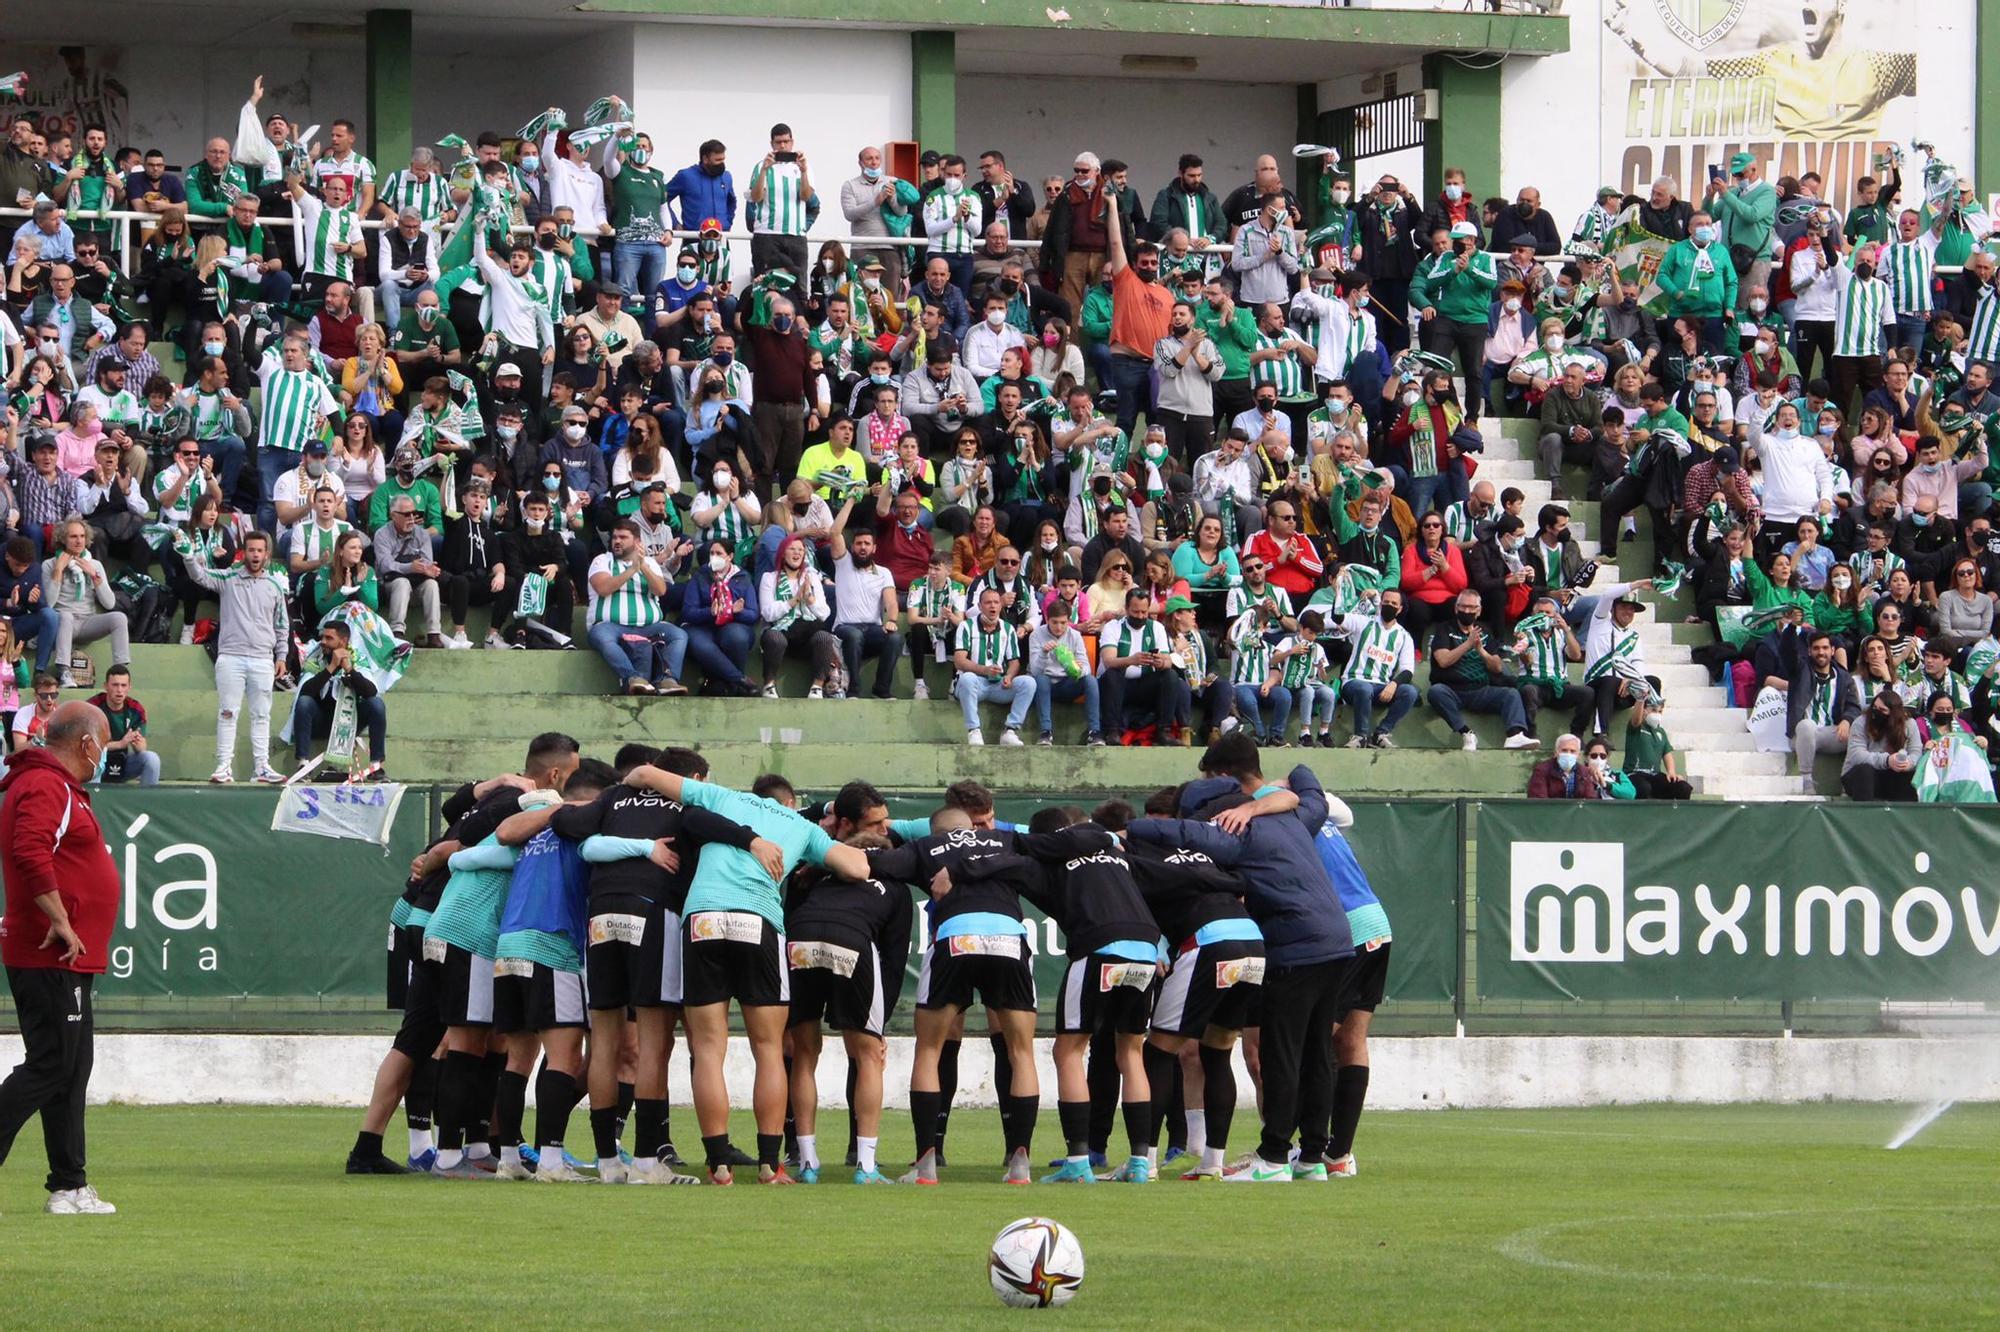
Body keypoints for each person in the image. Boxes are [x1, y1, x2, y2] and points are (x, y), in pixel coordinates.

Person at [592, 763, 869, 1185]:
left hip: (702, 918)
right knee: (768, 1048)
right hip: (758, 921)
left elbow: (647, 773)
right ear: (790, 802)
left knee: (707, 1049)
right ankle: (768, 1165)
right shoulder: (800, 825)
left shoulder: (721, 798)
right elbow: (857, 868)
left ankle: (718, 1164)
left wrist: (626, 787)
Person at [1125, 736, 1355, 1182]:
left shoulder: (1229, 834)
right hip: (1337, 939)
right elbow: (1307, 779)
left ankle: (1272, 1158)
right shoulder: (1293, 818)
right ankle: (1311, 1159)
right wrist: (1264, 799)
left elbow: (1156, 831)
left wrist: (1124, 831)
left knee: (1281, 1054)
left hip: (1295, 944)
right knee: (1315, 1055)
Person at [0, 701, 119, 1214]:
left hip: (66, 956)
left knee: (71, 1067)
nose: (106, 752)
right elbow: (30, 850)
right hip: (50, 952)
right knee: (52, 1065)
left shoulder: (56, 786)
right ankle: (68, 1182)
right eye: (105, 742)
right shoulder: (46, 785)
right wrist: (60, 919)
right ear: (86, 743)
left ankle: (69, 1185)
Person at [178, 526, 289, 784]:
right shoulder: (228, 579)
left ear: (267, 554)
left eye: (260, 550)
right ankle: (223, 767)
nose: (255, 554)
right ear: (244, 553)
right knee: (228, 712)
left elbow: (282, 625)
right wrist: (187, 556)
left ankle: (261, 767)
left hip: (263, 658)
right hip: (231, 657)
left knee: (262, 715)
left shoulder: (274, 584)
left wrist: (281, 656)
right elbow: (200, 577)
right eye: (251, 550)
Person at [586, 519, 689, 697]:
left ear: (637, 542)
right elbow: (603, 588)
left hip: (649, 627)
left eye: (623, 537)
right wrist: (632, 570)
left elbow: (660, 589)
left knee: (679, 635)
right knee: (602, 637)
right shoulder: (602, 560)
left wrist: (643, 567)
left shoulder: (650, 562)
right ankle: (632, 677)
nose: (617, 541)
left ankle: (667, 679)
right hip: (610, 625)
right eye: (615, 537)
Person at [1427, 590, 1537, 751]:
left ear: (1478, 611)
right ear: (1456, 608)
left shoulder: (1484, 631)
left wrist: (1481, 650)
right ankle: (1466, 733)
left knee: (1510, 694)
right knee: (1435, 692)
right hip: (1452, 689)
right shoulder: (1445, 629)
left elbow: (1497, 667)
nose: (1467, 611)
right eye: (1463, 607)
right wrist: (1468, 644)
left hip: (1481, 690)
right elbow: (1443, 661)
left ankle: (1515, 735)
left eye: (1472, 608)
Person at [41, 519, 128, 687]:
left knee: (119, 617)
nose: (79, 541)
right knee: (65, 616)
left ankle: (120, 670)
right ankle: (64, 673)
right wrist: (58, 570)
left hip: (87, 621)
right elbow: (49, 604)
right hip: (63, 622)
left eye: (82, 536)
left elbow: (109, 603)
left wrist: (94, 576)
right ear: (63, 539)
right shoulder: (50, 564)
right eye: (73, 536)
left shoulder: (94, 564)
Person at [1331, 589, 1418, 748]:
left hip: (1382, 688)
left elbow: (1407, 670)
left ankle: (1380, 733)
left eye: (1393, 603)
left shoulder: (1404, 636)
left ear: (1400, 609)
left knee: (1410, 692)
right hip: (1354, 683)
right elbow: (1337, 617)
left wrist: (1393, 684)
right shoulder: (1363, 622)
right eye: (1386, 602)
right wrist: (1339, 590)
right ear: (1380, 603)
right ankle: (1360, 736)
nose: (1389, 606)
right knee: (1363, 688)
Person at [951, 585, 1034, 747]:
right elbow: (959, 661)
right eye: (988, 603)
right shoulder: (966, 626)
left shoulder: (1008, 629)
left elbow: (1014, 662)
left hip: (998, 685)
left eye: (996, 602)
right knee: (967, 678)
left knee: (1028, 683)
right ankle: (973, 730)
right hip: (974, 685)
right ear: (980, 606)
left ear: (1001, 605)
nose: (992, 606)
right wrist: (984, 670)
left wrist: (1009, 676)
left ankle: (1010, 731)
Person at [1786, 629, 1861, 797]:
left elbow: (1853, 706)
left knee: (1861, 731)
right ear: (1809, 650)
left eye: (1825, 648)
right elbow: (1787, 653)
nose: (1821, 652)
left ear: (1832, 651)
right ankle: (1806, 780)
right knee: (1807, 725)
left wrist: (1847, 720)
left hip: (1830, 734)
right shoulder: (1800, 669)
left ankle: (1848, 784)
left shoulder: (1843, 677)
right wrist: (1789, 629)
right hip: (1802, 735)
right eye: (1816, 648)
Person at [86, 664, 159, 786]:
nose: (119, 690)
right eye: (115, 685)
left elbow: (142, 747)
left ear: (129, 687)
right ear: (106, 686)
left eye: (123, 685)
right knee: (92, 762)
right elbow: (88, 748)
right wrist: (120, 744)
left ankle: (146, 802)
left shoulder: (136, 709)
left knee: (152, 759)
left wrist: (139, 745)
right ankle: (92, 801)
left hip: (123, 762)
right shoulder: (92, 707)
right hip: (96, 762)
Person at [1843, 688, 1920, 801]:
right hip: (1860, 775)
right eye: (1874, 708)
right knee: (1865, 771)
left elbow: (1916, 752)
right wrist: (1887, 761)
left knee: (1911, 777)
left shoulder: (1909, 724)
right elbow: (1856, 755)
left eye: (1882, 710)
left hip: (1892, 776)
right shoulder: (1861, 722)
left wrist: (1908, 763)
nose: (1876, 712)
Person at [1528, 733, 1601, 798]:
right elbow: (1538, 801)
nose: (1568, 754)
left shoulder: (1584, 772)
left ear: (1578, 754)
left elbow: (1590, 801)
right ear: (1556, 752)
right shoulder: (1542, 770)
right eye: (1564, 750)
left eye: (1572, 751)